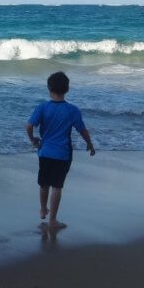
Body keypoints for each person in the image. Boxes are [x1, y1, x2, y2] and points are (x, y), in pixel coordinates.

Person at [25, 72, 95, 230]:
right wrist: (90, 144)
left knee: (44, 183)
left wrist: (33, 139)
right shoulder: (72, 110)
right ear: (67, 89)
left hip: (44, 152)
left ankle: (43, 210)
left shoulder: (42, 107)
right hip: (63, 154)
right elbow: (82, 130)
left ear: (49, 88)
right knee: (57, 186)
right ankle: (53, 220)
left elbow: (29, 126)